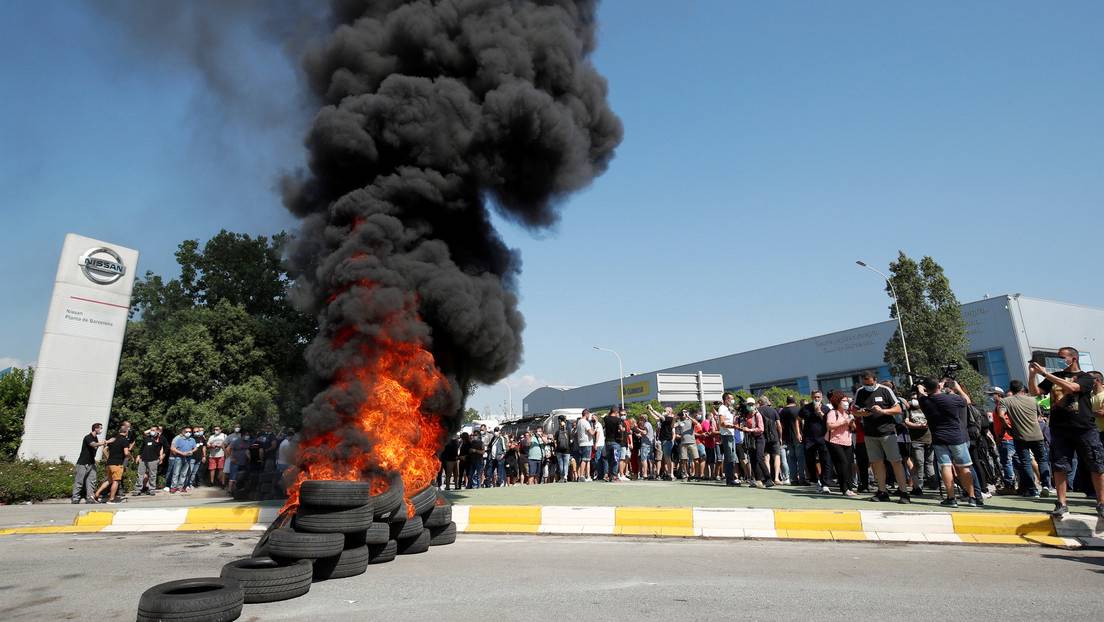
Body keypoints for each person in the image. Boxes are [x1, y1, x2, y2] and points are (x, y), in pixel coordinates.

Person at [1029, 348, 1104, 518]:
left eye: (1062, 357)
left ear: (1074, 358)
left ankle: (1101, 502)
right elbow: (1035, 393)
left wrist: (1046, 374)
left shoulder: (1087, 377)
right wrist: (1033, 374)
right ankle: (1062, 503)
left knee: (1096, 463)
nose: (1059, 360)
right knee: (1060, 465)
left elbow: (1072, 387)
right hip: (1060, 428)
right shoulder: (1055, 375)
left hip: (1084, 428)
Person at [918, 377, 981, 507]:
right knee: (964, 467)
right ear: (939, 386)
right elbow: (967, 401)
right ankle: (972, 497)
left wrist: (921, 388)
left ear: (926, 389)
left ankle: (951, 498)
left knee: (945, 467)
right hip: (957, 437)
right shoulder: (952, 398)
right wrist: (958, 388)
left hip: (939, 438)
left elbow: (923, 395)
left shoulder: (924, 401)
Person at [853, 371, 911, 504]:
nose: (868, 385)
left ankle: (904, 492)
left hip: (887, 432)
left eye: (870, 383)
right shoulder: (860, 392)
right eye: (865, 383)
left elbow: (898, 409)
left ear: (875, 380)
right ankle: (882, 491)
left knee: (895, 461)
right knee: (876, 462)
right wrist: (861, 413)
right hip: (869, 433)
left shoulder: (885, 390)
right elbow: (855, 410)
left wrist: (882, 411)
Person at [996, 380, 1051, 498]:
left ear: (1010, 390)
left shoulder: (1005, 401)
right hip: (1037, 435)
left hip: (1020, 436)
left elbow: (1001, 415)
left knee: (1025, 462)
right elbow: (1038, 415)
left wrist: (1007, 427)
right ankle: (1046, 485)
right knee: (1042, 459)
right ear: (1022, 389)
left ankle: (1032, 489)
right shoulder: (1032, 399)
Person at [825, 391, 857, 496]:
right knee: (842, 464)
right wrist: (844, 421)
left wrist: (851, 422)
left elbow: (854, 427)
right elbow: (830, 426)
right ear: (837, 402)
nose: (846, 402)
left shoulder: (848, 414)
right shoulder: (832, 413)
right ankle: (844, 488)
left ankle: (849, 487)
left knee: (848, 465)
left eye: (847, 400)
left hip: (847, 441)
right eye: (843, 400)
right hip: (834, 441)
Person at [903, 395, 935, 494]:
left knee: (929, 462)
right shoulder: (909, 410)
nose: (914, 400)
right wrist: (918, 426)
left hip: (929, 439)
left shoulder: (926, 408)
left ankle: (933, 483)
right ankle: (918, 487)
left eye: (916, 398)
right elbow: (906, 422)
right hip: (916, 440)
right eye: (912, 398)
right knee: (919, 463)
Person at [800, 391, 831, 493]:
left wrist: (819, 412)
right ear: (811, 397)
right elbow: (798, 418)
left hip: (823, 438)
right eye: (814, 397)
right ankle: (815, 480)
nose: (816, 399)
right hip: (809, 438)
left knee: (825, 460)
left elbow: (828, 422)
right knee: (810, 460)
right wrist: (798, 433)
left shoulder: (826, 409)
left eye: (818, 397)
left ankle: (825, 483)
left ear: (821, 397)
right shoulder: (806, 408)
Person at [94, 421, 132, 503]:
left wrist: (108, 457)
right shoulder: (125, 440)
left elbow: (105, 449)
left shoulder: (114, 439)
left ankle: (96, 495)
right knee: (116, 481)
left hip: (109, 463)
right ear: (126, 432)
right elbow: (126, 453)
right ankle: (111, 499)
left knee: (109, 480)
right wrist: (129, 456)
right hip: (117, 463)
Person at [72, 423, 110, 504]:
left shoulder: (95, 438)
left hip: (91, 463)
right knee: (79, 481)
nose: (101, 430)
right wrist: (102, 443)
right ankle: (75, 498)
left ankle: (90, 498)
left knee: (91, 481)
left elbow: (96, 446)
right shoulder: (88, 437)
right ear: (95, 429)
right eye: (100, 428)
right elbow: (93, 445)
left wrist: (104, 446)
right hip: (83, 463)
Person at [740, 399, 773, 487]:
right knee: (753, 459)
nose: (750, 406)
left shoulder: (757, 415)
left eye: (751, 404)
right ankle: (758, 479)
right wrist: (742, 427)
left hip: (759, 438)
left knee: (759, 457)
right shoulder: (746, 415)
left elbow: (761, 429)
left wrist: (749, 430)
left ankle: (768, 478)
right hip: (751, 438)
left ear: (754, 405)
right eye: (748, 404)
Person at [716, 393, 741, 486]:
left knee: (732, 457)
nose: (733, 400)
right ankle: (729, 479)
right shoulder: (722, 408)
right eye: (731, 398)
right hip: (726, 435)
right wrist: (733, 426)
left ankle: (732, 478)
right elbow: (722, 423)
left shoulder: (728, 409)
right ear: (726, 399)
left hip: (731, 434)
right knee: (729, 457)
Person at [779, 396, 804, 485]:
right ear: (795, 401)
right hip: (798, 436)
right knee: (800, 458)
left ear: (787, 401)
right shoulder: (798, 410)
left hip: (788, 437)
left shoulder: (782, 411)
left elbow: (781, 425)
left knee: (791, 459)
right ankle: (802, 478)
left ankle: (793, 479)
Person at [758, 396, 783, 484]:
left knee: (766, 457)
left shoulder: (758, 411)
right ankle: (776, 478)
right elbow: (779, 425)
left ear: (760, 402)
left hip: (763, 436)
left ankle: (768, 478)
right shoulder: (773, 410)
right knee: (776, 456)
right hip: (774, 436)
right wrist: (780, 437)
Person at [135, 427, 163, 495]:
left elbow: (164, 447)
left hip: (153, 459)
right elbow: (142, 447)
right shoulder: (147, 437)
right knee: (140, 474)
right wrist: (139, 456)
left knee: (152, 475)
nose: (152, 431)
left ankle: (152, 489)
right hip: (143, 459)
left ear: (157, 431)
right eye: (151, 430)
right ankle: (138, 489)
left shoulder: (160, 438)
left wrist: (161, 457)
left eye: (153, 430)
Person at [169, 426, 197, 493]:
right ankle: (173, 487)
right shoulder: (179, 439)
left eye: (189, 432)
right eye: (186, 431)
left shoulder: (192, 440)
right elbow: (172, 448)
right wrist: (181, 453)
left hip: (188, 458)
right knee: (176, 473)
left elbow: (195, 448)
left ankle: (180, 487)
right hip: (179, 458)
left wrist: (192, 451)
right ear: (183, 432)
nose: (188, 433)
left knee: (184, 473)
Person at [675, 409, 699, 482]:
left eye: (685, 412)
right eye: (683, 412)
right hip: (683, 443)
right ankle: (685, 474)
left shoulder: (690, 420)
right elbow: (673, 425)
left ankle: (696, 475)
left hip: (692, 442)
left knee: (696, 459)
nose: (684, 413)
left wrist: (689, 416)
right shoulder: (680, 422)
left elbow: (696, 423)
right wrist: (674, 419)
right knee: (683, 460)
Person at [603, 407, 624, 482]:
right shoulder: (618, 420)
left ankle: (609, 475)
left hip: (608, 442)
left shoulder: (606, 418)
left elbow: (606, 416)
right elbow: (621, 429)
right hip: (615, 442)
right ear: (616, 412)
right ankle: (614, 475)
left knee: (609, 459)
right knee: (615, 459)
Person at [275, 430, 298, 497]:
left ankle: (283, 493)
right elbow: (289, 456)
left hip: (280, 463)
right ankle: (284, 494)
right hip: (284, 464)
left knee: (283, 479)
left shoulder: (283, 442)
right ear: (290, 436)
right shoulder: (287, 444)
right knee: (287, 480)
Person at [575, 410, 594, 482]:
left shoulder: (579, 422)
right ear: (586, 414)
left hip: (581, 443)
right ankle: (582, 476)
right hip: (587, 443)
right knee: (585, 459)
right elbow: (591, 433)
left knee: (587, 460)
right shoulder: (586, 422)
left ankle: (587, 476)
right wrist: (594, 429)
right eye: (589, 414)